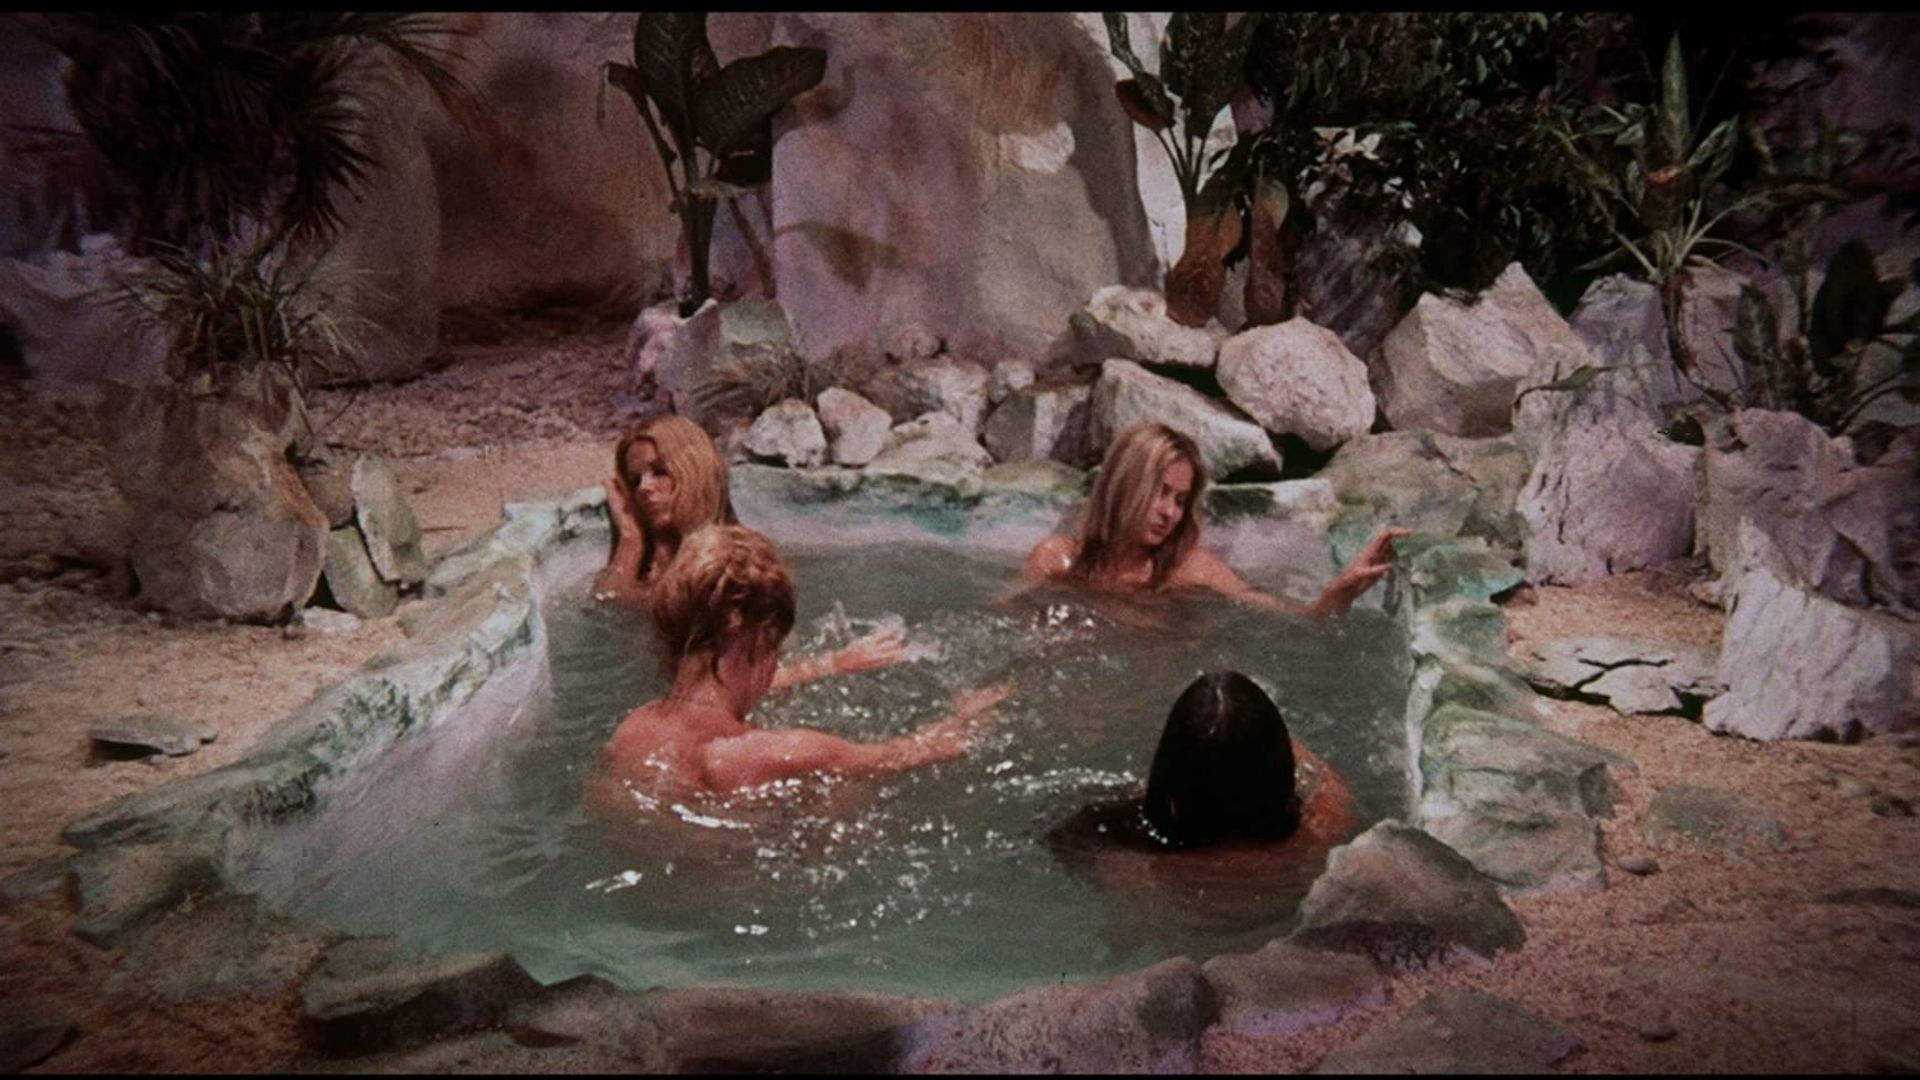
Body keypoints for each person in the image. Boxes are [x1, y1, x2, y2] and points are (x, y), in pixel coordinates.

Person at [591, 525, 1010, 806]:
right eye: (778, 647)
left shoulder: (632, 729)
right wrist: (971, 717)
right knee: (844, 800)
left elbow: (708, 702)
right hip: (748, 893)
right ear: (759, 637)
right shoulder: (786, 752)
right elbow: (906, 755)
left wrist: (832, 664)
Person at [1045, 671, 1357, 945]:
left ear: (1168, 770)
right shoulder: (1327, 826)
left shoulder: (1129, 867)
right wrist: (1253, 740)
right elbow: (1314, 768)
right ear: (1278, 770)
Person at [593, 415, 907, 686]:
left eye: (660, 471)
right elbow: (606, 603)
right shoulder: (658, 556)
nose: (644, 487)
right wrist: (630, 538)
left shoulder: (735, 560)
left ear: (695, 471)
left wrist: (830, 665)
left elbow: (735, 685)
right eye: (635, 479)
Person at [1020, 422, 1408, 615]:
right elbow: (1007, 627)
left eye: (1180, 500)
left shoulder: (1188, 570)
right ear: (1124, 485)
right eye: (1160, 492)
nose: (1170, 512)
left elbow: (1282, 616)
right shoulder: (1057, 560)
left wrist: (1333, 597)